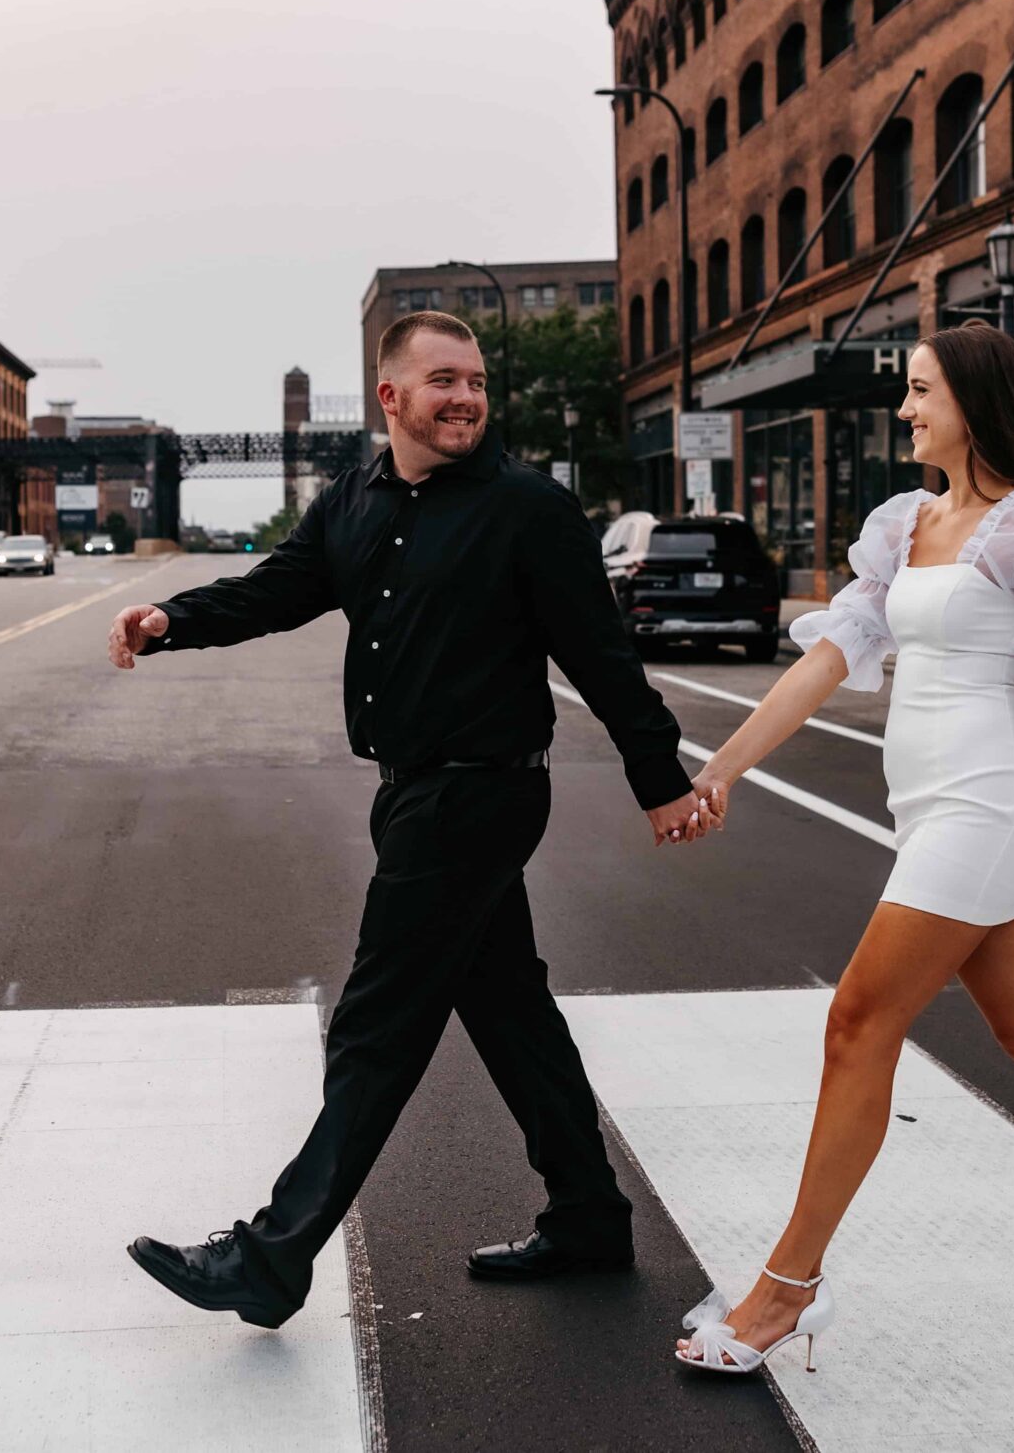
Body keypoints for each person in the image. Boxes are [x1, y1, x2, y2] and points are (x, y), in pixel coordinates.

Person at [106, 310, 718, 1329]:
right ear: (391, 397)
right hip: (410, 791)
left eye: (474, 379)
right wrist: (170, 621)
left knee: (377, 1023)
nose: (466, 396)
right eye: (442, 380)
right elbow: (276, 590)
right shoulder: (353, 501)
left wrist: (658, 776)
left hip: (480, 793)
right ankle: (589, 1219)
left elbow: (600, 655)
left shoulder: (528, 508)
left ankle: (272, 1255)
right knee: (511, 1012)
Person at [671, 320, 1014, 1376]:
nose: (904, 410)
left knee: (857, 1021)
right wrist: (720, 766)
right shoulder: (906, 525)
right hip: (924, 809)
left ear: (972, 400)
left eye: (919, 392)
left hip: (983, 803)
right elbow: (828, 661)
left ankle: (787, 1288)